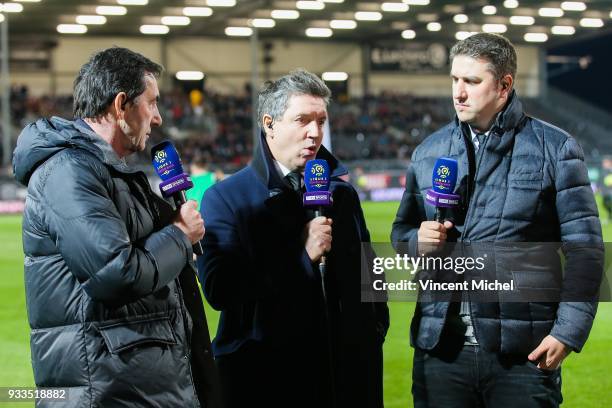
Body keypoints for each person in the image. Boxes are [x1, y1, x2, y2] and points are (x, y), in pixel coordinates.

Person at [391, 33, 603, 407]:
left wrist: (568, 331)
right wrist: (416, 242)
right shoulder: (429, 152)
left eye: (471, 81)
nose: (458, 92)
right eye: (455, 80)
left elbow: (585, 249)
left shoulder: (555, 148)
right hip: (441, 351)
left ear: (504, 85)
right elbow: (401, 232)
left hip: (522, 356)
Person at [12, 47, 221, 407]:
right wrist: (180, 234)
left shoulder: (109, 171)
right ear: (121, 104)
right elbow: (116, 272)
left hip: (134, 387)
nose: (157, 118)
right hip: (107, 391)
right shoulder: (68, 171)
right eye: (151, 103)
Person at [197, 69, 389, 408]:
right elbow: (219, 289)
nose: (314, 133)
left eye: (321, 121)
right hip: (266, 379)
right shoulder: (227, 198)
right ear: (269, 124)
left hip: (345, 377)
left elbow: (370, 274)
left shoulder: (342, 195)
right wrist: (300, 257)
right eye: (302, 120)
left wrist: (373, 332)